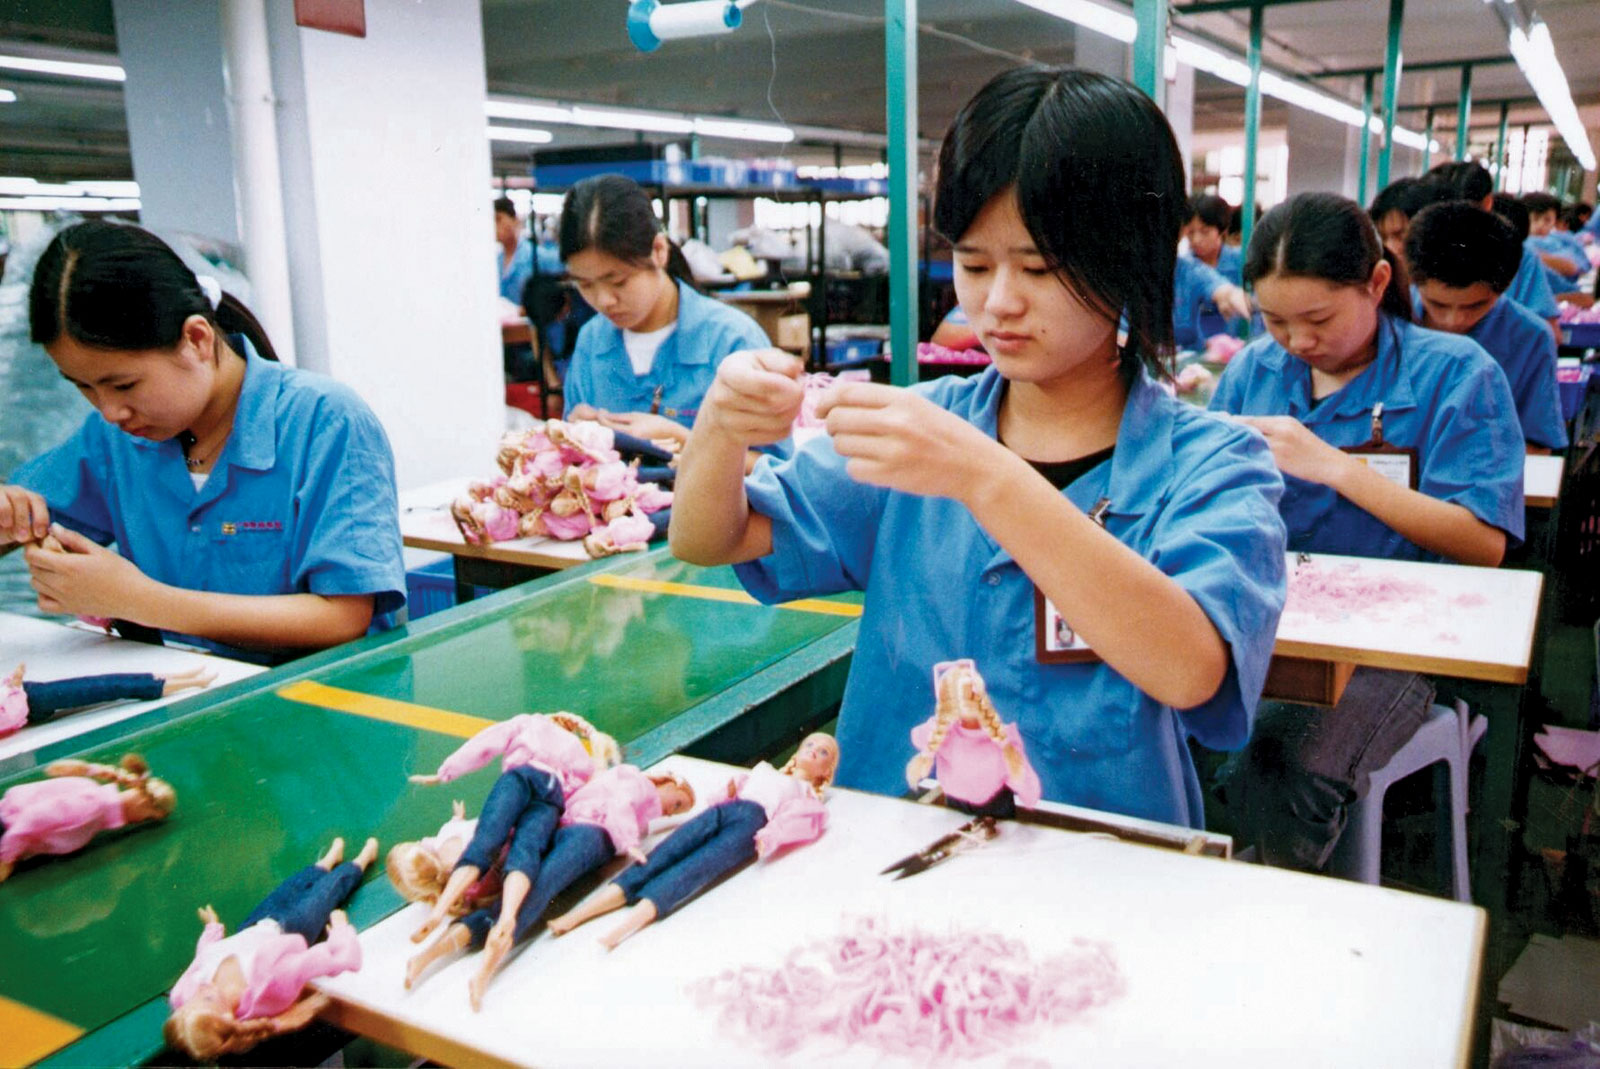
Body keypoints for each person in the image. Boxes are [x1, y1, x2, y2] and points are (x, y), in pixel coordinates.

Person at [668, 66, 1289, 828]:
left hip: (1109, 863)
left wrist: (984, 476)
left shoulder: (1215, 463)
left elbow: (1191, 669)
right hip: (896, 846)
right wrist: (720, 426)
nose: (997, 303)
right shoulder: (918, 432)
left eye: (1040, 268)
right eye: (972, 264)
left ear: (1130, 258)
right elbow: (708, 538)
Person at [1208, 193, 1523, 871]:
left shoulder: (1456, 375)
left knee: (1280, 762)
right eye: (1274, 320)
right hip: (1268, 622)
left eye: (1318, 319)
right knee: (1160, 725)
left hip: (1396, 642)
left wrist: (1335, 468)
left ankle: (1284, 907)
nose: (1297, 342)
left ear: (1378, 283)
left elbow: (1483, 542)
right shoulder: (1252, 372)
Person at [1, 221, 406, 666]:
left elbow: (343, 617)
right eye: (84, 387)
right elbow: (27, 512)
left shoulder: (325, 422)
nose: (109, 411)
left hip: (324, 696)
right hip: (187, 691)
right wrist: (9, 516)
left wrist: (140, 600)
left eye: (124, 385)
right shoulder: (114, 440)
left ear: (196, 339)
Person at [545, 734, 838, 949]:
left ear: (826, 770)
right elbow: (724, 795)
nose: (813, 751)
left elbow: (796, 821)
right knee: (666, 851)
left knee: (696, 867)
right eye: (809, 744)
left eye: (823, 752)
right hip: (725, 810)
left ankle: (622, 930)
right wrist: (729, 791)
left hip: (751, 824)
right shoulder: (764, 769)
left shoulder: (806, 795)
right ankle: (577, 915)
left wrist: (769, 837)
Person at [559, 174, 770, 451]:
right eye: (585, 285)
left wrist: (683, 441)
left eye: (618, 281)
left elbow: (775, 469)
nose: (604, 301)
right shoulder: (592, 341)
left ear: (659, 251)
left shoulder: (732, 341)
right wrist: (573, 438)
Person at [164, 837, 376, 1060]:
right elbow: (339, 960)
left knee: (290, 888)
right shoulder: (269, 980)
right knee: (326, 892)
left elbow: (203, 958)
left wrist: (212, 929)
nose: (201, 990)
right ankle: (361, 860)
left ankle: (327, 861)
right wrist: (341, 930)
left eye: (187, 1004)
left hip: (255, 924)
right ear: (228, 1017)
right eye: (207, 999)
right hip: (293, 927)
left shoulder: (188, 992)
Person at [1406, 201, 1566, 454]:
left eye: (1475, 306)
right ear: (1414, 281)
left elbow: (1538, 443)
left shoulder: (1531, 338)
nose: (1453, 320)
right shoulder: (1388, 322)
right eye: (1437, 304)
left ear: (1505, 287)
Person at [1425, 161, 1559, 330]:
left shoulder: (1521, 258)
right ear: (1488, 202)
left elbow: (1547, 331)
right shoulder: (1520, 256)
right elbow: (1549, 331)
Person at [0, 753, 174, 881]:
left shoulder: (95, 801)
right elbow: (32, 817)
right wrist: (6, 861)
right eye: (147, 818)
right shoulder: (95, 804)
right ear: (144, 802)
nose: (138, 822)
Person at [1523, 191, 1587, 294]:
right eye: (1535, 218)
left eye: (1547, 220)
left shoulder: (1560, 241)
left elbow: (1572, 267)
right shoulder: (1520, 240)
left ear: (1555, 222)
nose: (1540, 224)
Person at [1186, 194, 1242, 284]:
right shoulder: (1183, 267)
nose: (1196, 240)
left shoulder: (1241, 261)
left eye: (1205, 232)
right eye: (1190, 232)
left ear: (1222, 230)